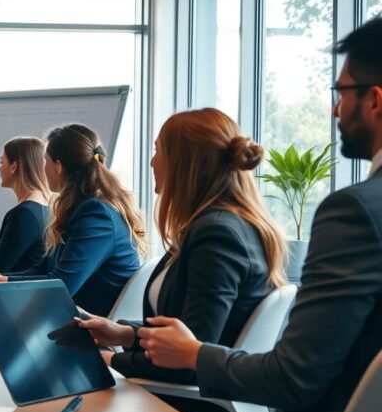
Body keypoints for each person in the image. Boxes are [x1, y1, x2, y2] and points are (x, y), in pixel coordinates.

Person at [136, 18, 382, 412]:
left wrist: (192, 353)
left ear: (375, 101)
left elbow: (293, 379)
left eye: (340, 92)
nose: (335, 109)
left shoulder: (356, 212)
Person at [77, 108, 287, 395]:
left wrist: (109, 359)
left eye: (157, 151)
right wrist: (125, 334)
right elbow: (192, 331)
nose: (152, 162)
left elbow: (186, 358)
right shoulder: (220, 226)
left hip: (190, 408)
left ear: (184, 163)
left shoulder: (216, 234)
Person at [0, 124, 144, 317]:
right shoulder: (79, 209)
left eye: (45, 160)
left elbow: (62, 285)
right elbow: (44, 268)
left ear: (58, 167)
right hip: (70, 317)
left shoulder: (95, 215)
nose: (42, 167)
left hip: (88, 326)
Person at [0, 136, 54, 273]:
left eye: (1, 162)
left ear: (14, 167)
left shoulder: (24, 214)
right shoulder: (45, 207)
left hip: (11, 293)